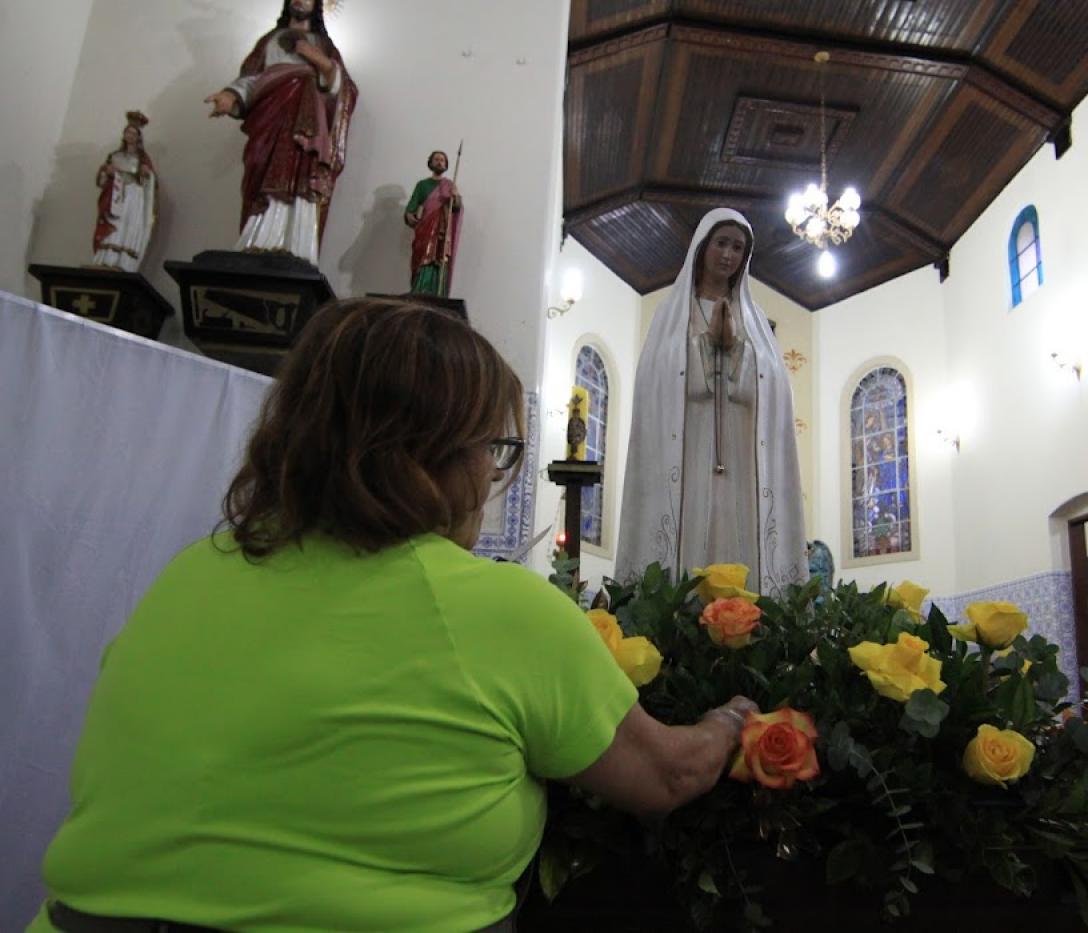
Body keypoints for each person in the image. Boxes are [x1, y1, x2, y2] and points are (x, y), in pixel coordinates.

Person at [26, 298, 755, 933]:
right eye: (488, 449)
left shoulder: (187, 573)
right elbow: (666, 775)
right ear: (431, 456)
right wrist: (730, 718)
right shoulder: (496, 607)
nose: (488, 477)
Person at [615, 208, 806, 596]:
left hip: (740, 453)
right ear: (703, 247)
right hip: (687, 448)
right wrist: (706, 345)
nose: (728, 254)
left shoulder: (753, 318)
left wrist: (736, 348)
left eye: (738, 247)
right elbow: (658, 378)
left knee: (734, 523)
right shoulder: (671, 313)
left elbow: (773, 388)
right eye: (721, 243)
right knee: (691, 525)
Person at [203, 0, 357, 266]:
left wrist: (316, 58)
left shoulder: (324, 45)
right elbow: (251, 78)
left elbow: (342, 90)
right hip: (270, 117)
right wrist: (230, 96)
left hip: (306, 121)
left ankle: (295, 244)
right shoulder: (269, 41)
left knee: (302, 173)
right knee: (261, 165)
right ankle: (256, 239)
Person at [91, 111, 157, 273]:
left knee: (127, 224)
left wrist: (145, 174)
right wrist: (105, 173)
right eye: (128, 132)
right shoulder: (114, 156)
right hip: (116, 196)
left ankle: (123, 260)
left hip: (133, 195)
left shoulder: (142, 159)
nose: (130, 136)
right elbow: (102, 182)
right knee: (113, 223)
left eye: (134, 133)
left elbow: (148, 181)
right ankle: (106, 257)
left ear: (139, 137)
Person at [404, 149, 463, 295]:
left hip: (442, 229)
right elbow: (411, 207)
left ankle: (437, 291)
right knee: (423, 256)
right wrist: (409, 216)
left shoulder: (449, 185)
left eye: (442, 160)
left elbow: (456, 208)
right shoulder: (422, 185)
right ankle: (420, 289)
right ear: (430, 163)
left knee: (439, 257)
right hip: (425, 227)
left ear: (446, 165)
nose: (439, 162)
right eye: (436, 159)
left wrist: (455, 197)